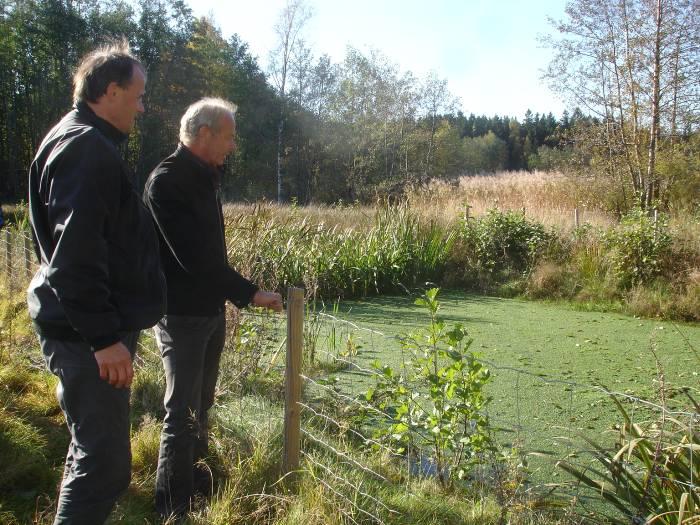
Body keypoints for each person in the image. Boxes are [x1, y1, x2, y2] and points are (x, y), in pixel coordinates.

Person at [26, 41, 166, 524]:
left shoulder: (80, 138)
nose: (143, 107)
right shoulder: (85, 149)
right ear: (110, 91)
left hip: (82, 326)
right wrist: (105, 339)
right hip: (86, 336)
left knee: (91, 451)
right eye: (139, 95)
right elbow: (76, 257)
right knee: (105, 466)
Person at [143, 97, 283, 518]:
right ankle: (172, 506)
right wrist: (250, 293)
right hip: (181, 316)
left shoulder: (205, 178)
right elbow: (194, 259)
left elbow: (211, 257)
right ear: (204, 134)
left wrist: (230, 297)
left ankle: (196, 486)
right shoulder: (166, 182)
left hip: (208, 314)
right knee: (180, 412)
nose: (233, 147)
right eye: (229, 137)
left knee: (201, 405)